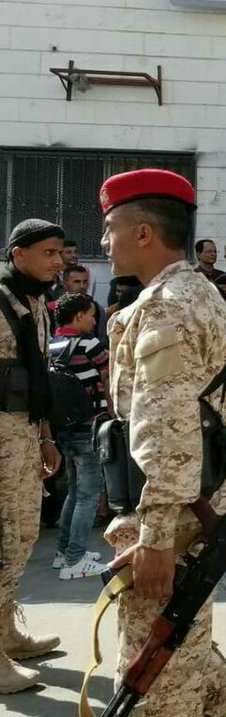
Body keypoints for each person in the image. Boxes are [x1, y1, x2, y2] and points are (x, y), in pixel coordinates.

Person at [98, 169, 226, 715]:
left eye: (110, 229)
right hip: (204, 505)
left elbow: (168, 425)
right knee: (186, 650)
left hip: (176, 513)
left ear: (143, 233)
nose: (104, 242)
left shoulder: (167, 306)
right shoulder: (213, 300)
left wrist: (156, 535)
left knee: (157, 678)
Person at [0, 218, 64, 693]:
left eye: (59, 252)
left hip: (22, 433)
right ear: (18, 253)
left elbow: (36, 376)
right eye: (48, 252)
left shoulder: (35, 302)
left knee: (21, 535)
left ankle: (6, 632)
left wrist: (45, 436)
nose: (57, 261)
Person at [49, 293, 109, 580]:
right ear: (79, 316)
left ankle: (64, 553)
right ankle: (75, 559)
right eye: (91, 315)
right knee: (88, 495)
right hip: (89, 427)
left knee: (74, 491)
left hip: (65, 428)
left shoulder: (52, 345)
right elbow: (109, 375)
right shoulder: (90, 344)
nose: (94, 321)